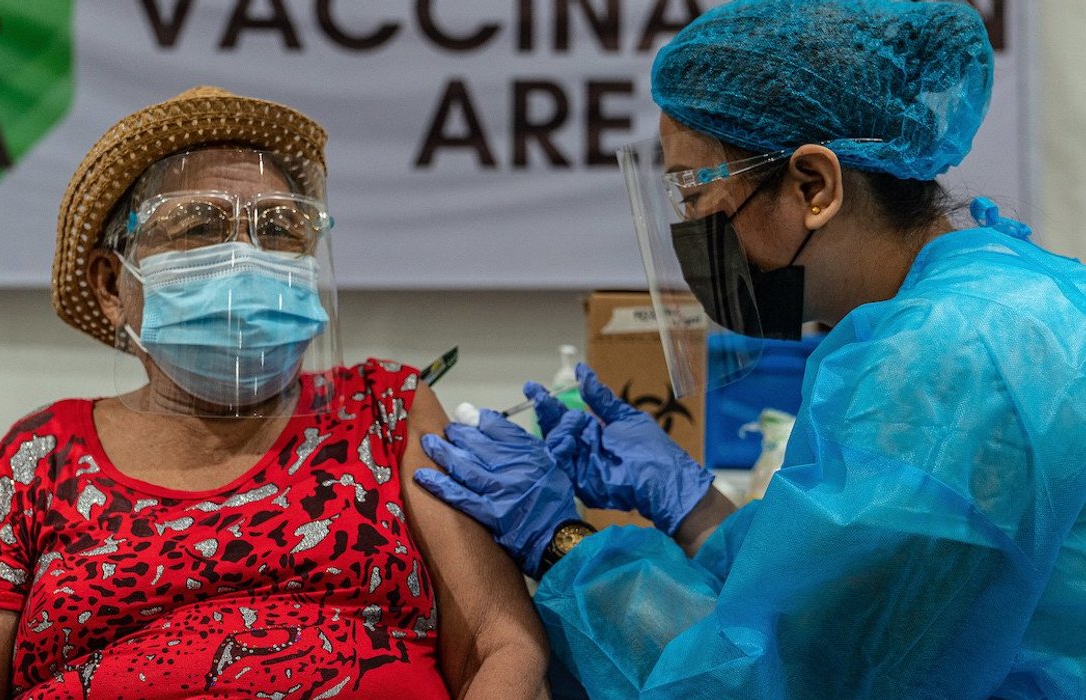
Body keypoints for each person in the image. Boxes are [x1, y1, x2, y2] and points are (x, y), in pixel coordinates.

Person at [414, 1, 1086, 698]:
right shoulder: (996, 299)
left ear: (813, 187)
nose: (691, 230)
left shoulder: (951, 361)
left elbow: (783, 680)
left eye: (695, 193)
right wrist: (689, 504)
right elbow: (833, 590)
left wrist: (562, 545)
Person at [0, 86, 549, 699]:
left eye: (281, 230)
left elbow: (503, 646)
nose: (244, 256)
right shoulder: (42, 458)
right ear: (113, 285)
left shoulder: (383, 408)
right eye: (197, 227)